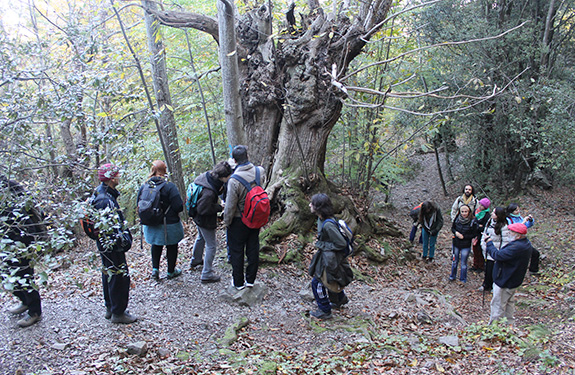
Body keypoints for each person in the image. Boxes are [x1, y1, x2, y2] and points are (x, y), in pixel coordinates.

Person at [93, 163, 136, 324]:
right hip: (111, 245)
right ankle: (118, 312)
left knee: (109, 273)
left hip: (105, 245)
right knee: (118, 276)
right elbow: (111, 228)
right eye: (117, 175)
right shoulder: (105, 200)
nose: (119, 177)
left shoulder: (100, 193)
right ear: (112, 178)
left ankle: (111, 308)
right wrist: (123, 242)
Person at [0, 176, 45, 327]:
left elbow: (30, 208)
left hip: (22, 238)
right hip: (7, 240)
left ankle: (34, 311)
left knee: (24, 274)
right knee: (7, 274)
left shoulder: (9, 187)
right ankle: (25, 301)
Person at [223, 145, 265, 290]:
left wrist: (226, 222)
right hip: (255, 217)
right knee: (253, 248)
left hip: (238, 220)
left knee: (237, 251)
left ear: (234, 160)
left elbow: (230, 206)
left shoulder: (233, 180)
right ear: (248, 156)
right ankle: (251, 280)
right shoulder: (260, 172)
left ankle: (238, 282)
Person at [308, 194, 353, 320]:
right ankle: (340, 300)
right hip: (328, 256)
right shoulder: (321, 219)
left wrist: (321, 244)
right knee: (331, 278)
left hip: (331, 257)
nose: (310, 205)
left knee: (318, 282)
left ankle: (324, 310)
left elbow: (341, 243)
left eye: (312, 204)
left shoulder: (328, 225)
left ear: (319, 207)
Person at [138, 160, 184, 280]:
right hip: (170, 223)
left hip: (151, 223)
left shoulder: (144, 186)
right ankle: (170, 271)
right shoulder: (169, 186)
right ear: (164, 171)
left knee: (156, 245)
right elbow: (178, 206)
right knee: (172, 246)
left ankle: (155, 270)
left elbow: (139, 204)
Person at [190, 161, 232, 283]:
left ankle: (196, 260)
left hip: (197, 217)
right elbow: (203, 208)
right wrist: (220, 207)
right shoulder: (209, 193)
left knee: (200, 238)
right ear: (223, 177)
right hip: (204, 219)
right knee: (211, 245)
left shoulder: (206, 176)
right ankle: (207, 273)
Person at [484, 223, 533, 325]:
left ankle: (494, 329)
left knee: (498, 305)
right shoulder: (525, 244)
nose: (508, 233)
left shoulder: (517, 247)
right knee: (509, 304)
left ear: (518, 235)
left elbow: (497, 255)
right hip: (512, 280)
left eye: (511, 232)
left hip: (505, 280)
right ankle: (509, 326)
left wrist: (489, 242)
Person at [480, 207, 512, 292]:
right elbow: (484, 233)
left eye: (494, 213)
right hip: (487, 250)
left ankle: (494, 286)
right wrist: (483, 244)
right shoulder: (490, 222)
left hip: (496, 251)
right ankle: (486, 284)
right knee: (487, 268)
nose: (491, 214)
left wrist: (500, 252)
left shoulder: (504, 226)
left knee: (495, 269)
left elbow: (505, 240)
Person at [506, 203, 540, 274]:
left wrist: (530, 221)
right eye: (516, 210)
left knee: (535, 253)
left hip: (522, 240)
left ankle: (533, 270)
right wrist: (523, 222)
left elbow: (526, 226)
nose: (518, 211)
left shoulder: (519, 217)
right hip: (513, 241)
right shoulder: (508, 219)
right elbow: (514, 228)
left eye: (518, 209)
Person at [449, 205, 477, 283]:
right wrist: (456, 233)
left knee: (463, 263)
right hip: (456, 243)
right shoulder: (457, 219)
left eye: (466, 212)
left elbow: (474, 233)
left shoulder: (473, 221)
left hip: (466, 245)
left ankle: (463, 279)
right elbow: (453, 228)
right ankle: (452, 276)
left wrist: (464, 237)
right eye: (462, 212)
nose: (464, 213)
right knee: (454, 261)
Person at [470, 198, 491, 272]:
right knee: (475, 250)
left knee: (480, 251)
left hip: (481, 235)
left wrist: (479, 226)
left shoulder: (487, 215)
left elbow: (485, 226)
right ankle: (475, 265)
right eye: (480, 204)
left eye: (482, 205)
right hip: (474, 234)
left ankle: (481, 266)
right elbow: (474, 222)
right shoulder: (477, 212)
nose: (480, 206)